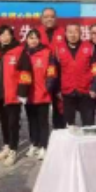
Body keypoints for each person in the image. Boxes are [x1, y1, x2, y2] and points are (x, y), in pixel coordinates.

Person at [0, 25, 33, 167]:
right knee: (3, 121)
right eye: (2, 34)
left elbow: (26, 72)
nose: (5, 37)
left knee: (13, 123)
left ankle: (13, 150)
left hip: (14, 94)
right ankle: (7, 145)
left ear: (12, 36)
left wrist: (22, 92)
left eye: (8, 34)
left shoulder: (19, 51)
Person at [56, 24, 96, 127]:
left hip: (86, 92)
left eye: (76, 32)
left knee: (88, 125)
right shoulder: (59, 49)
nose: (73, 35)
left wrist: (94, 88)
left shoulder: (89, 48)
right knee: (68, 126)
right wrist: (57, 89)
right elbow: (56, 72)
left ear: (80, 33)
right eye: (70, 32)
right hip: (67, 92)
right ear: (65, 34)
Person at [24, 29, 58, 161]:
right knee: (31, 121)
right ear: (26, 40)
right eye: (30, 38)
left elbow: (52, 72)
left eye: (35, 38)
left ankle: (44, 146)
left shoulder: (47, 53)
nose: (33, 40)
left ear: (39, 39)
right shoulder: (23, 53)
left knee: (43, 122)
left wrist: (47, 88)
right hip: (28, 94)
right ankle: (34, 143)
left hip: (43, 94)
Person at [38, 7, 67, 129]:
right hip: (42, 77)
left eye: (52, 16)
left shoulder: (64, 32)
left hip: (60, 76)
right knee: (41, 112)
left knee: (60, 109)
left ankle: (60, 134)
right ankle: (42, 138)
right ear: (41, 19)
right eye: (46, 17)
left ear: (56, 18)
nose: (49, 19)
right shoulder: (36, 33)